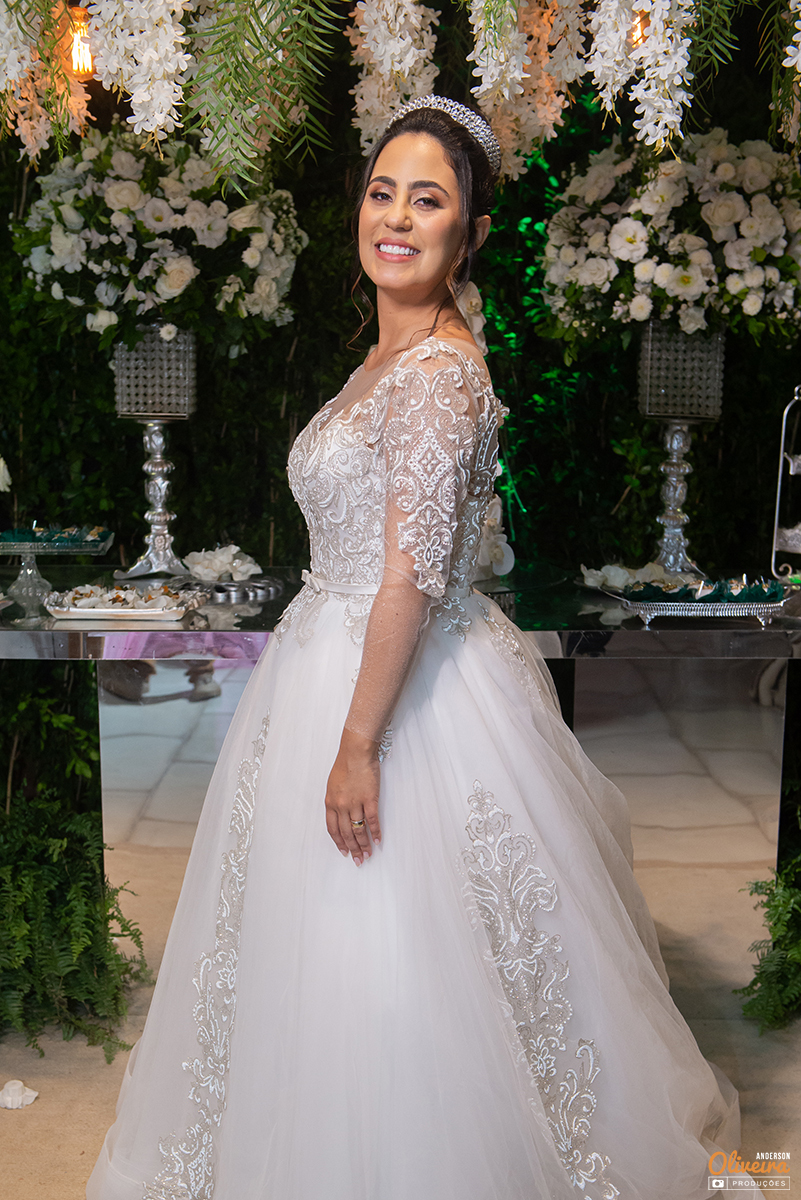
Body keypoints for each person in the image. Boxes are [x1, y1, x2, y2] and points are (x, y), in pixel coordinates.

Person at [88, 96, 757, 1200]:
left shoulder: (441, 374)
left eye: (428, 199)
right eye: (382, 191)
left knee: (400, 939)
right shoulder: (385, 359)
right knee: (308, 943)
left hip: (395, 686)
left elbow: (409, 573)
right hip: (325, 657)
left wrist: (358, 744)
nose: (395, 217)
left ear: (470, 232)